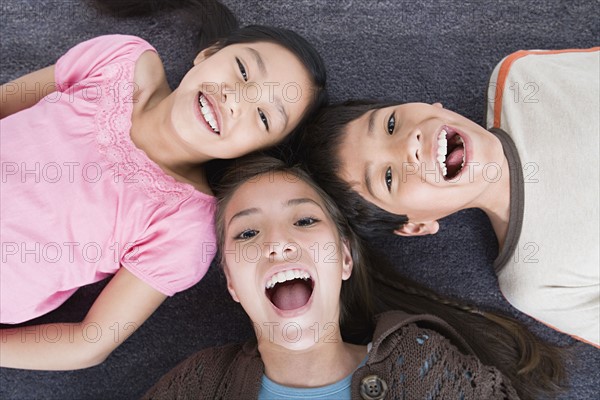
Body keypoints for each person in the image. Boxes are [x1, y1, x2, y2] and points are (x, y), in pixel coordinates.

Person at [0, 1, 328, 369]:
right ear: (208, 54)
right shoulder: (123, 61)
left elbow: (88, 342)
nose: (236, 99)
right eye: (242, 70)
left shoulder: (185, 228)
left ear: (257, 149)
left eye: (264, 116)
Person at [143, 155, 564, 400]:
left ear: (344, 259)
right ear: (232, 283)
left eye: (304, 220)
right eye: (248, 232)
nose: (278, 244)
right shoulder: (200, 384)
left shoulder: (418, 364)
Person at [299, 48, 599, 347]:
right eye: (388, 178)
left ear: (433, 105)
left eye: (391, 125)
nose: (410, 145)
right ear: (416, 225)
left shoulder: (521, 79)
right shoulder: (534, 282)